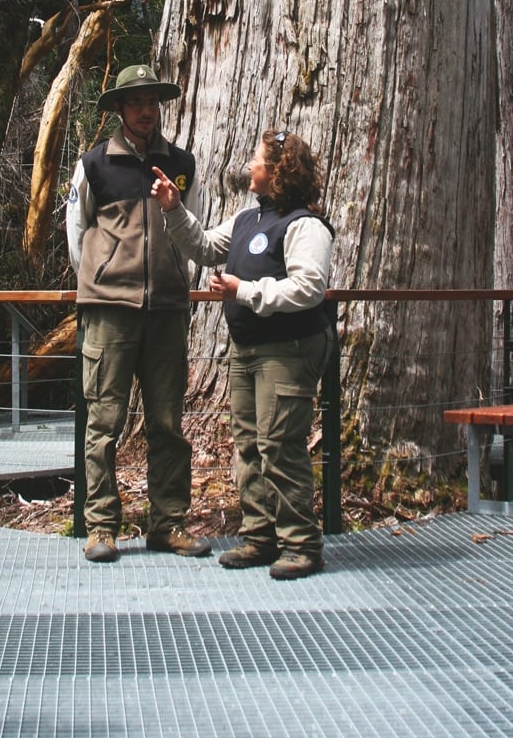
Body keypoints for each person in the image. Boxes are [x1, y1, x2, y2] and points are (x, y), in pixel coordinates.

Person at [151, 130, 334, 580]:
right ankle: (260, 536)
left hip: (288, 350)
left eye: (257, 159)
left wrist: (246, 291)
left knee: (280, 445)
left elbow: (309, 288)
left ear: (278, 170)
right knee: (249, 445)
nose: (249, 165)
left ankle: (301, 545)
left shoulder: (305, 225)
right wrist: (173, 209)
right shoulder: (247, 219)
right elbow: (204, 247)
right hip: (246, 348)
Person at [66, 63, 211, 563]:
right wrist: (101, 277)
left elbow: (194, 229)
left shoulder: (182, 164)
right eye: (136, 102)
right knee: (103, 421)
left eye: (152, 102)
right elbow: (76, 232)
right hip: (109, 312)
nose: (146, 110)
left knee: (167, 423)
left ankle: (168, 524)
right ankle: (101, 527)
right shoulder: (94, 165)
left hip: (167, 309)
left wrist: (175, 277)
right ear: (120, 109)